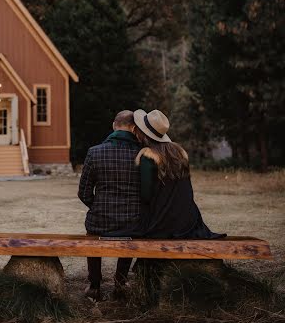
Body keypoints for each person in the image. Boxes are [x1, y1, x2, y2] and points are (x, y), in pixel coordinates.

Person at [128, 108, 226, 239]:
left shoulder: (148, 156)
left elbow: (146, 195)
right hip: (189, 220)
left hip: (163, 222)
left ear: (143, 133)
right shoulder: (179, 152)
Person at [78, 110, 141, 300]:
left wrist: (98, 207)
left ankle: (95, 285)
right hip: (132, 222)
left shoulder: (94, 152)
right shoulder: (141, 154)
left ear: (114, 125)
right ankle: (120, 282)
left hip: (100, 222)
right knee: (131, 231)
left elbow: (83, 193)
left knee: (93, 234)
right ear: (135, 129)